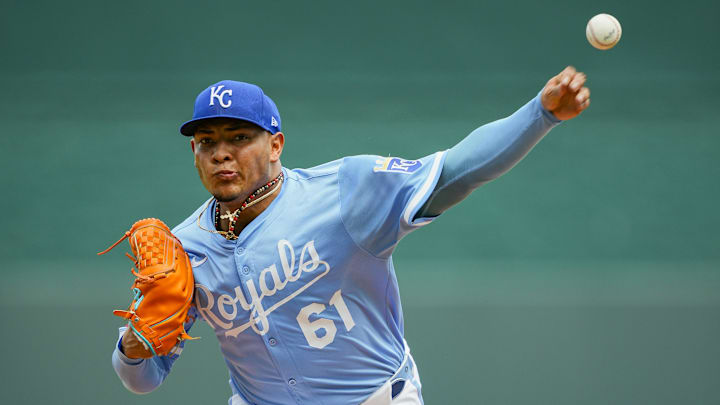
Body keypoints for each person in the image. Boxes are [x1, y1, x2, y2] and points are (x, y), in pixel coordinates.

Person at [111, 66, 590, 405]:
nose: (221, 153)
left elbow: (455, 172)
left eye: (239, 137)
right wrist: (135, 341)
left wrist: (539, 115)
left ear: (275, 145)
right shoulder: (180, 249)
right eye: (207, 142)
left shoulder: (344, 191)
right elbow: (143, 380)